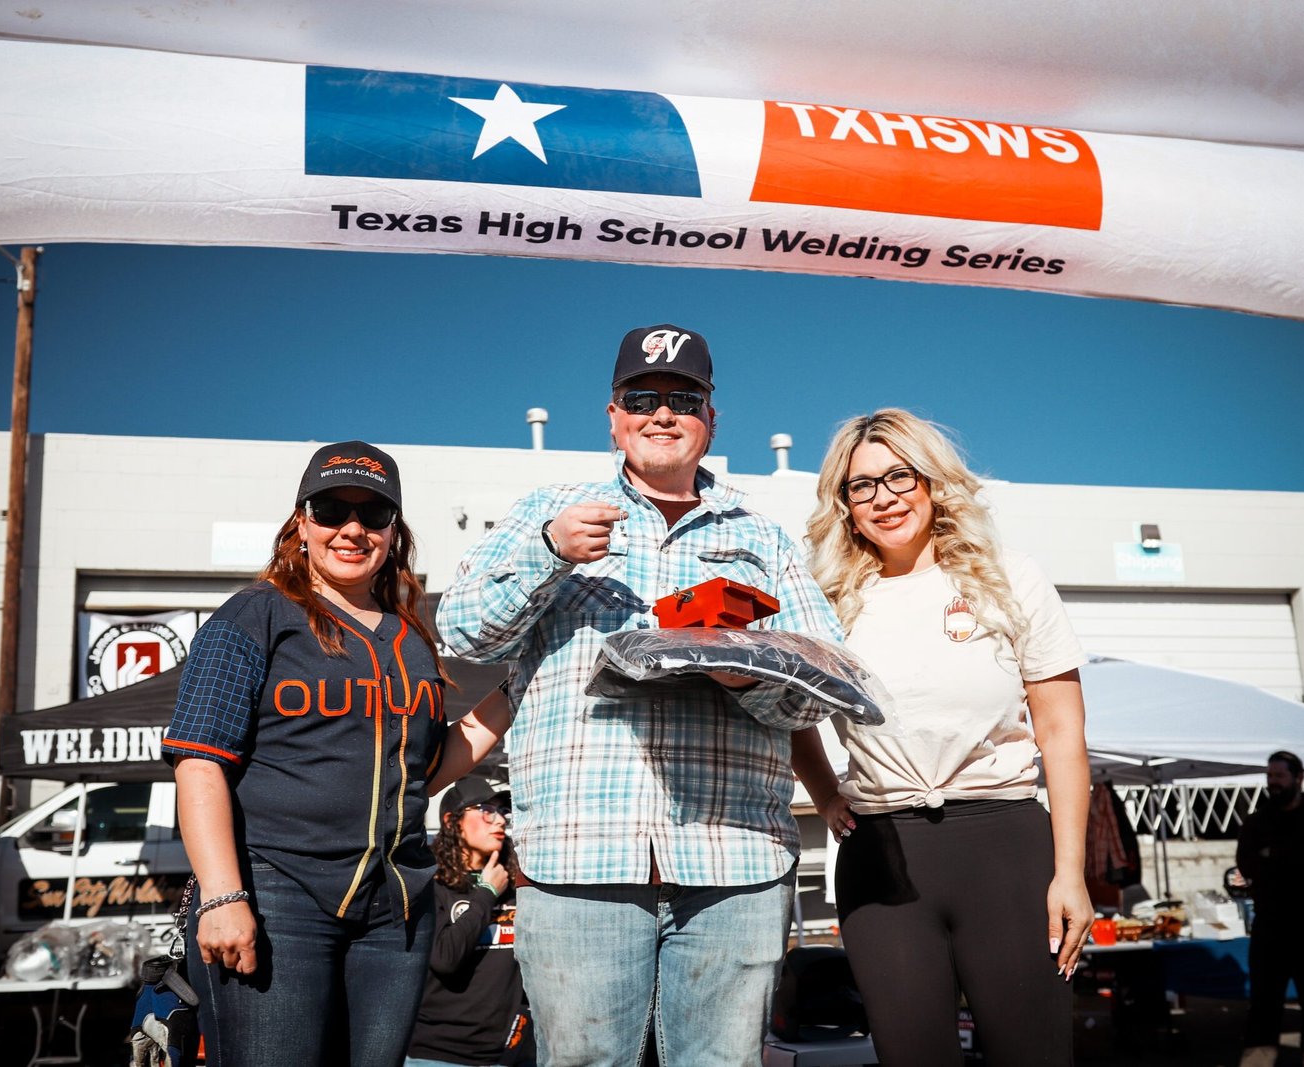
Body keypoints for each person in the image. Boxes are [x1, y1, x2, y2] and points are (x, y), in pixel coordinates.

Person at [437, 323, 848, 1067]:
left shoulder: (765, 537)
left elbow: (821, 685)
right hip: (578, 856)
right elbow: (462, 630)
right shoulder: (548, 511)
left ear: (710, 418)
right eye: (642, 398)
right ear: (614, 416)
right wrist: (550, 552)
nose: (662, 413)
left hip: (735, 860)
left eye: (683, 400)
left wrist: (744, 672)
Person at [162, 440, 511, 1067]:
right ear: (301, 522)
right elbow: (199, 762)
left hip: (396, 910)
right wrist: (221, 895)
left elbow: (426, 771)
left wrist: (518, 691)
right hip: (276, 895)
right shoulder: (254, 615)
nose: (352, 529)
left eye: (373, 514)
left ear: (393, 530)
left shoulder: (410, 636)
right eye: (331, 510)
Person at [790, 408, 1091, 1067]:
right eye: (861, 485)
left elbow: (1063, 732)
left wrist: (1071, 872)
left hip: (1005, 849)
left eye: (900, 476)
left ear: (932, 482)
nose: (884, 497)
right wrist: (825, 790)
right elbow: (784, 709)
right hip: (880, 856)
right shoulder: (826, 602)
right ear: (845, 506)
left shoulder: (1009, 577)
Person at [407, 780, 532, 1067]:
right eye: (486, 810)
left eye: (503, 812)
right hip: (437, 1055)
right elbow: (445, 958)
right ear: (452, 821)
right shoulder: (429, 884)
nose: (500, 820)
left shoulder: (516, 882)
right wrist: (486, 893)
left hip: (508, 1055)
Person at [1236, 751, 1304, 1067]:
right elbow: (1247, 865)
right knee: (1263, 1007)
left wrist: (1274, 858)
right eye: (1270, 776)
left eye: (1279, 776)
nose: (1273, 782)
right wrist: (1290, 858)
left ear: (1299, 778)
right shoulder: (1256, 822)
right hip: (1272, 930)